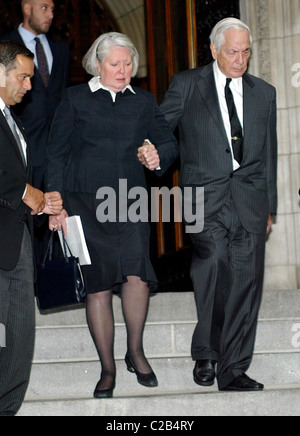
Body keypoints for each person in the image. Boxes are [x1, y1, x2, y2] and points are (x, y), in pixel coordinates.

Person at [140, 18, 278, 392]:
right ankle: (207, 352)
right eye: (232, 52)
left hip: (249, 199)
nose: (240, 59)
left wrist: (271, 207)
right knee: (214, 263)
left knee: (246, 283)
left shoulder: (264, 92)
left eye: (246, 51)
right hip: (204, 197)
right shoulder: (188, 84)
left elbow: (269, 154)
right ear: (214, 50)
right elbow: (163, 129)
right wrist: (153, 151)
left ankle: (233, 369)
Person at [45, 32, 179, 399]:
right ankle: (107, 368)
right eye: (115, 64)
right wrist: (55, 202)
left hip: (131, 200)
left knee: (137, 275)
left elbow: (168, 143)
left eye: (128, 63)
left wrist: (157, 156)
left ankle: (135, 351)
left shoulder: (145, 101)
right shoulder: (74, 99)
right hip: (84, 202)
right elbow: (55, 154)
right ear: (98, 65)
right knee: (99, 285)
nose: (123, 70)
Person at [0, 40, 63, 416]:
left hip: (18, 243)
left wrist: (44, 204)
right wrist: (27, 192)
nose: (28, 85)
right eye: (23, 77)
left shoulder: (14, 121)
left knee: (19, 335)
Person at [0, 0, 69, 190]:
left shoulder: (61, 49)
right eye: (45, 8)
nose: (51, 15)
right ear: (27, 8)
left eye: (53, 9)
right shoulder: (4, 45)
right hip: (18, 149)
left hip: (57, 151)